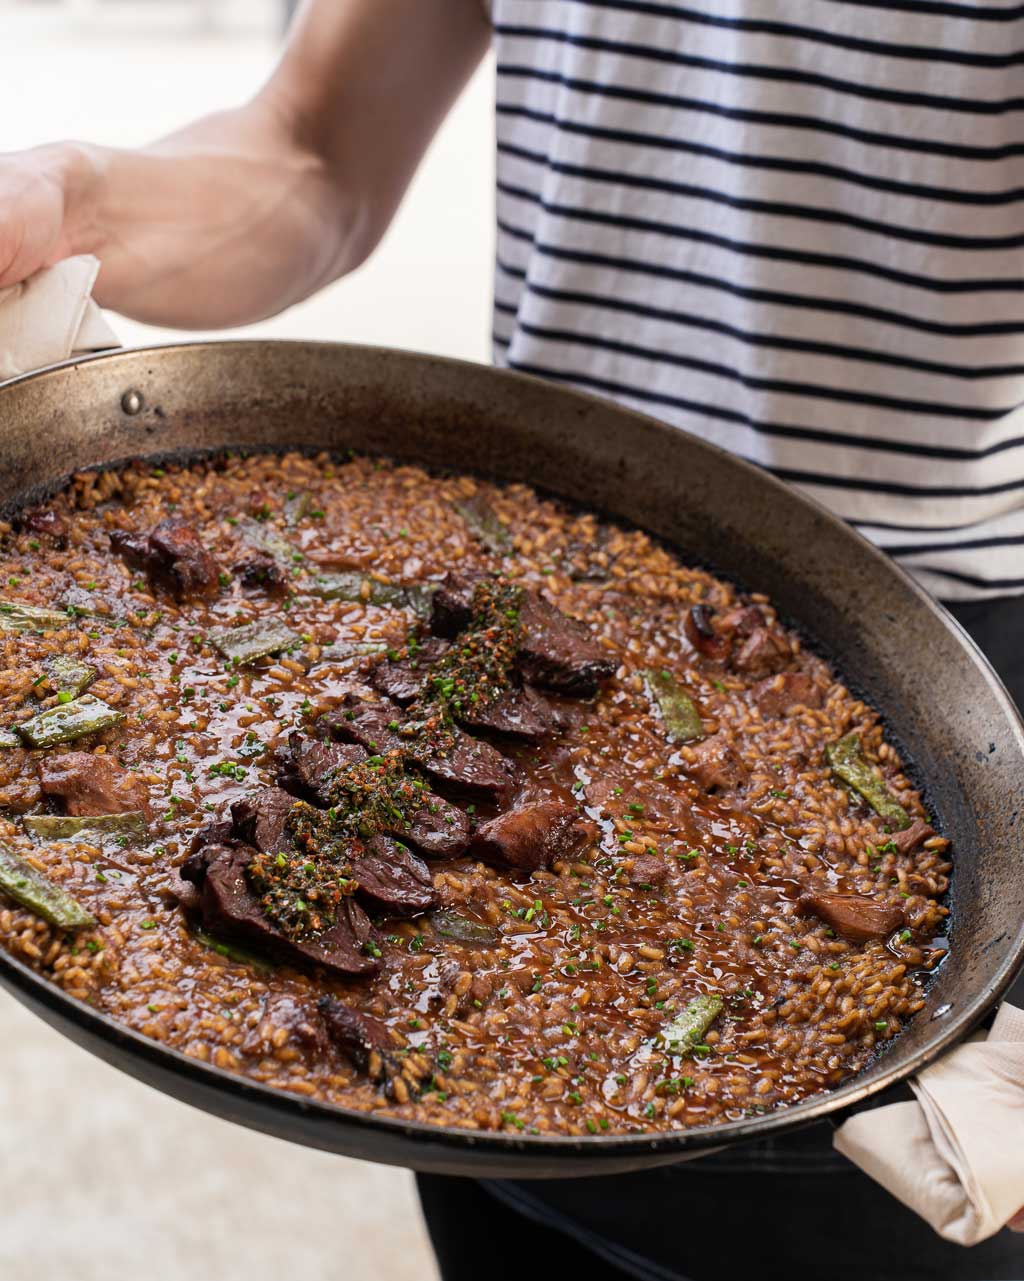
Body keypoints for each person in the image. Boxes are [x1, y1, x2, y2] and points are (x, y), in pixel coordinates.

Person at [2, 2, 1021, 1276]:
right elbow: (315, 148)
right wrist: (68, 200)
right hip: (518, 520)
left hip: (947, 677)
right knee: (499, 1203)